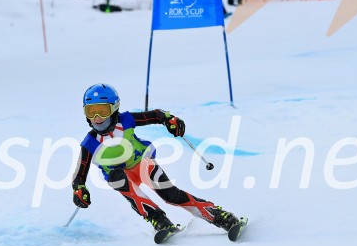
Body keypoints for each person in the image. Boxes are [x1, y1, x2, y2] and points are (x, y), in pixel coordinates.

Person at [71, 83, 241, 236]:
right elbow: (80, 173)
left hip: (142, 165)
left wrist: (169, 120)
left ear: (114, 109)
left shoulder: (126, 120)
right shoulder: (90, 143)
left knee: (171, 195)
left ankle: (218, 215)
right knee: (116, 177)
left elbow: (156, 115)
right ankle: (159, 220)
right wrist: (79, 189)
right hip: (121, 177)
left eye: (103, 111)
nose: (97, 118)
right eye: (91, 112)